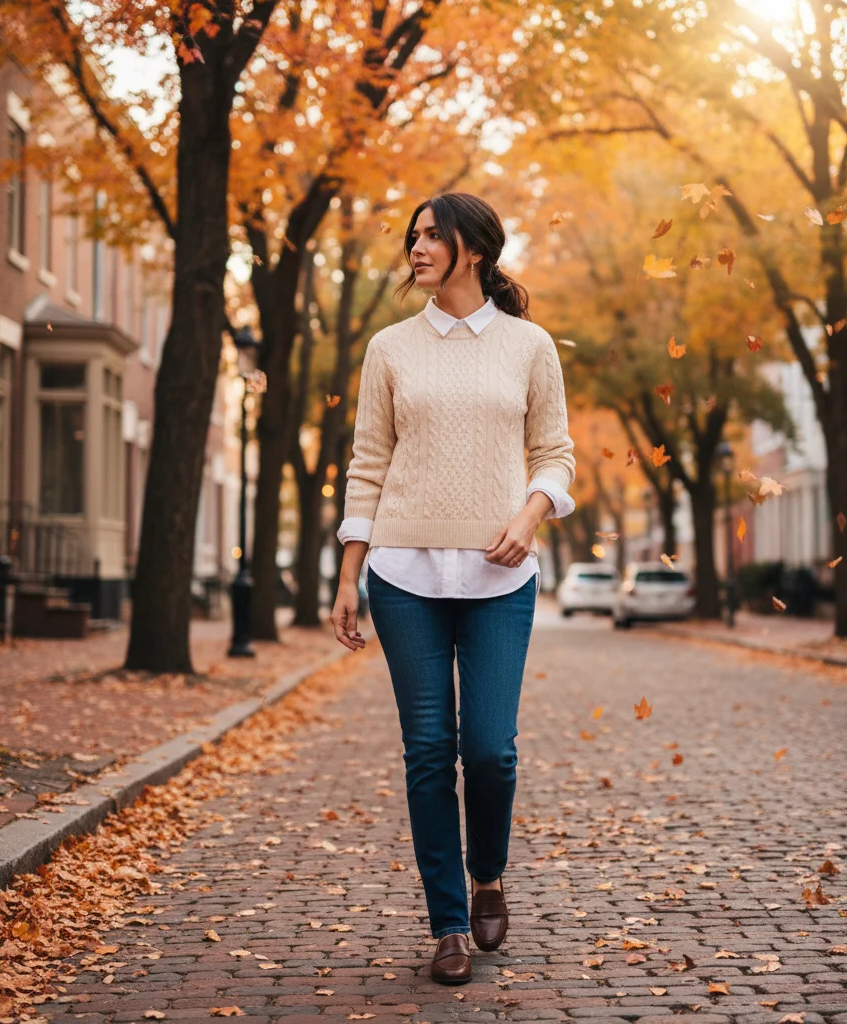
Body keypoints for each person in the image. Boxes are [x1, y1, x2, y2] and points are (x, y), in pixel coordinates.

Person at [329, 192, 575, 984]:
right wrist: (349, 573)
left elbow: (555, 453)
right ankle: (448, 925)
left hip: (500, 577)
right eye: (414, 236)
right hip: (404, 575)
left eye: (434, 235)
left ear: (475, 248)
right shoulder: (389, 348)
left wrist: (530, 516)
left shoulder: (530, 345)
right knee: (430, 752)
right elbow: (368, 463)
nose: (418, 247)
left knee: (490, 751)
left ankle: (488, 874)